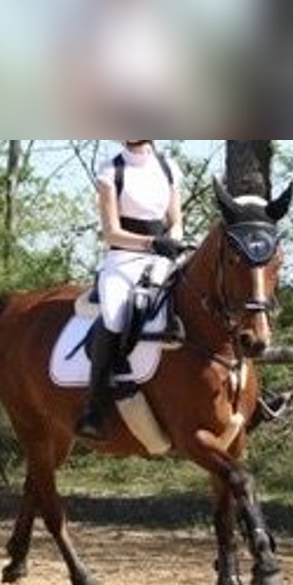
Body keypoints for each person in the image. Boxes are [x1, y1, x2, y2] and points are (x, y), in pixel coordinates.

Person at [76, 139, 188, 440]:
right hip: (122, 260)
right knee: (113, 316)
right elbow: (111, 232)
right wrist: (152, 243)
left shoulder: (168, 168)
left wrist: (172, 241)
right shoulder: (110, 171)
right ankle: (94, 407)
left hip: (163, 257)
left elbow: (175, 221)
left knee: (204, 294)